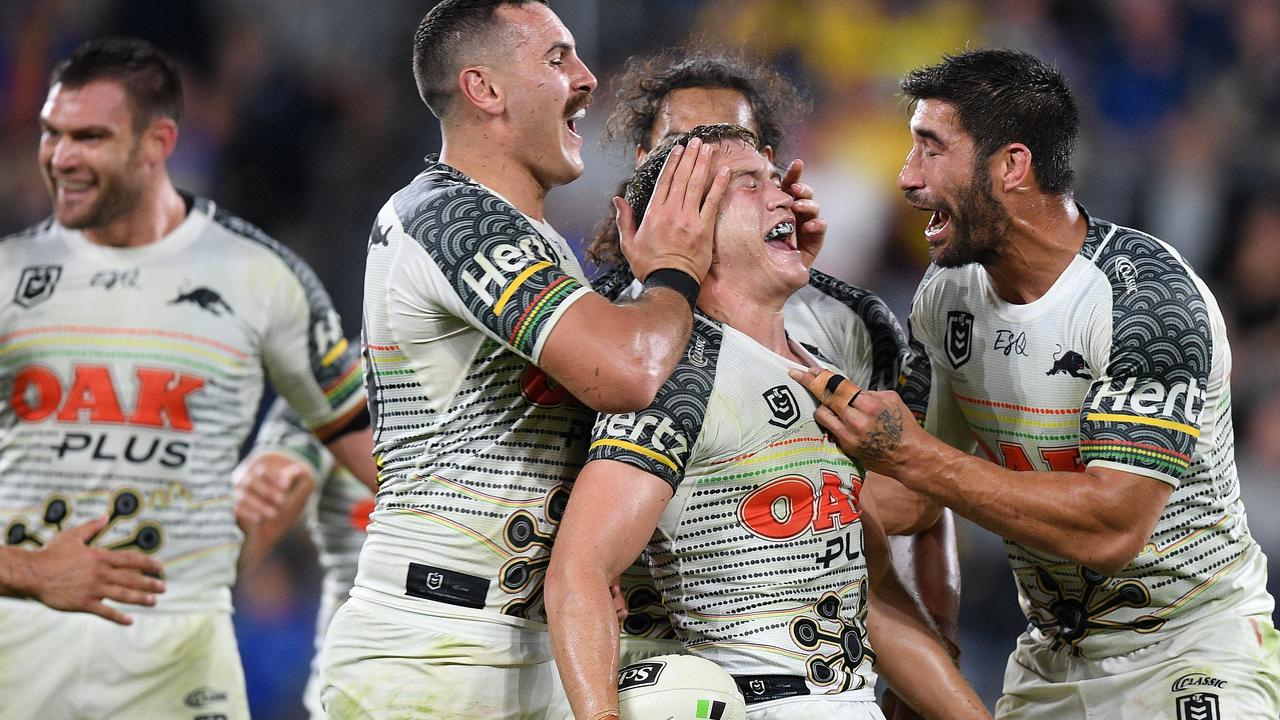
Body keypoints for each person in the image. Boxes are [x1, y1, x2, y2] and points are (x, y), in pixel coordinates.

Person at [793, 49, 1280, 719]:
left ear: (1011, 166)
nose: (906, 178)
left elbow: (1113, 526)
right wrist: (765, 489)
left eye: (930, 150)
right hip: (1053, 660)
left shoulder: (1149, 300)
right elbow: (905, 498)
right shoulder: (945, 297)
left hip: (1191, 651)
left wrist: (914, 456)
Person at [318, 2, 728, 718]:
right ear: (486, 90)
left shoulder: (533, 242)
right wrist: (672, 272)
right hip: (433, 645)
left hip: (508, 645)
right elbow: (626, 372)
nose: (587, 76)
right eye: (557, 58)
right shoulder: (447, 214)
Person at [546, 124, 989, 720]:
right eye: (749, 185)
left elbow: (875, 597)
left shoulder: (824, 372)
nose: (786, 197)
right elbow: (578, 572)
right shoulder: (680, 376)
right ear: (689, 224)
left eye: (776, 180)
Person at [0, 37, 377, 719]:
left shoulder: (264, 281)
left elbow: (381, 463)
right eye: (52, 135)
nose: (61, 157)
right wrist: (30, 570)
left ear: (157, 144)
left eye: (89, 136)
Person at [233, 398, 371, 720]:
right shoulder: (331, 383)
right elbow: (245, 531)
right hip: (354, 686)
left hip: (496, 673)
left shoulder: (509, 380)